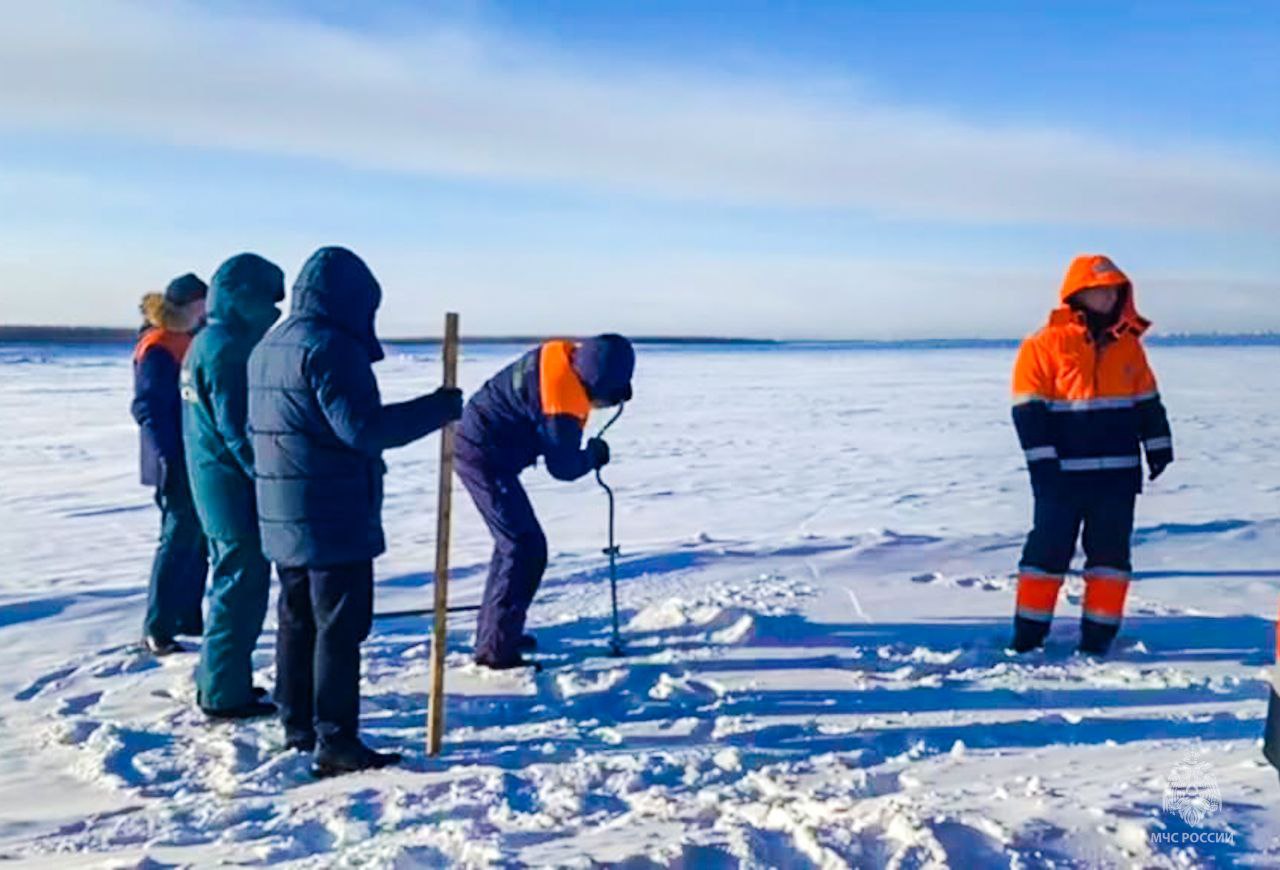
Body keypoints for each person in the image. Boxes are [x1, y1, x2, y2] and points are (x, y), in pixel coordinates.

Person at [247, 246, 461, 776]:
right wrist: (439, 408)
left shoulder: (271, 345)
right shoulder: (329, 347)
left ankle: (296, 721)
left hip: (282, 505)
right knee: (338, 627)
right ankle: (336, 740)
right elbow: (363, 429)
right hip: (330, 509)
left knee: (297, 617)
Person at [1009, 255, 1173, 656]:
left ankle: (1099, 639)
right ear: (1077, 293)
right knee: (1046, 556)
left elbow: (1147, 401)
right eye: (1100, 289)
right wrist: (1043, 464)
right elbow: (1028, 411)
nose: (1108, 296)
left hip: (1117, 474)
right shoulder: (1042, 345)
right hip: (1060, 475)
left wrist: (1158, 445)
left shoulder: (1129, 347)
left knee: (1111, 560)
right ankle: (1028, 637)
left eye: (1115, 290)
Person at [457, 334, 635, 671]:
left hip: (484, 443)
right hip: (482, 456)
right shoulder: (563, 402)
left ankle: (497, 633)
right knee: (525, 548)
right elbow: (564, 468)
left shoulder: (564, 358)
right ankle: (496, 652)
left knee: (513, 543)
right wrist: (593, 456)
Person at [182, 253, 285, 719]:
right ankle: (224, 693)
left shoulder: (207, 341)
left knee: (231, 585)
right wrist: (267, 479)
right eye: (269, 304)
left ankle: (219, 679)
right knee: (238, 590)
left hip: (214, 485)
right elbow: (237, 429)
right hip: (230, 493)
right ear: (242, 298)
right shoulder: (226, 349)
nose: (275, 315)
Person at [132, 273, 210, 656]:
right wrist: (168, 456)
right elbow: (148, 406)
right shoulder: (160, 345)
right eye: (201, 304)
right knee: (178, 540)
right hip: (174, 460)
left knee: (198, 539)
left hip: (196, 454)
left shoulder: (194, 338)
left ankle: (187, 618)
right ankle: (158, 626)